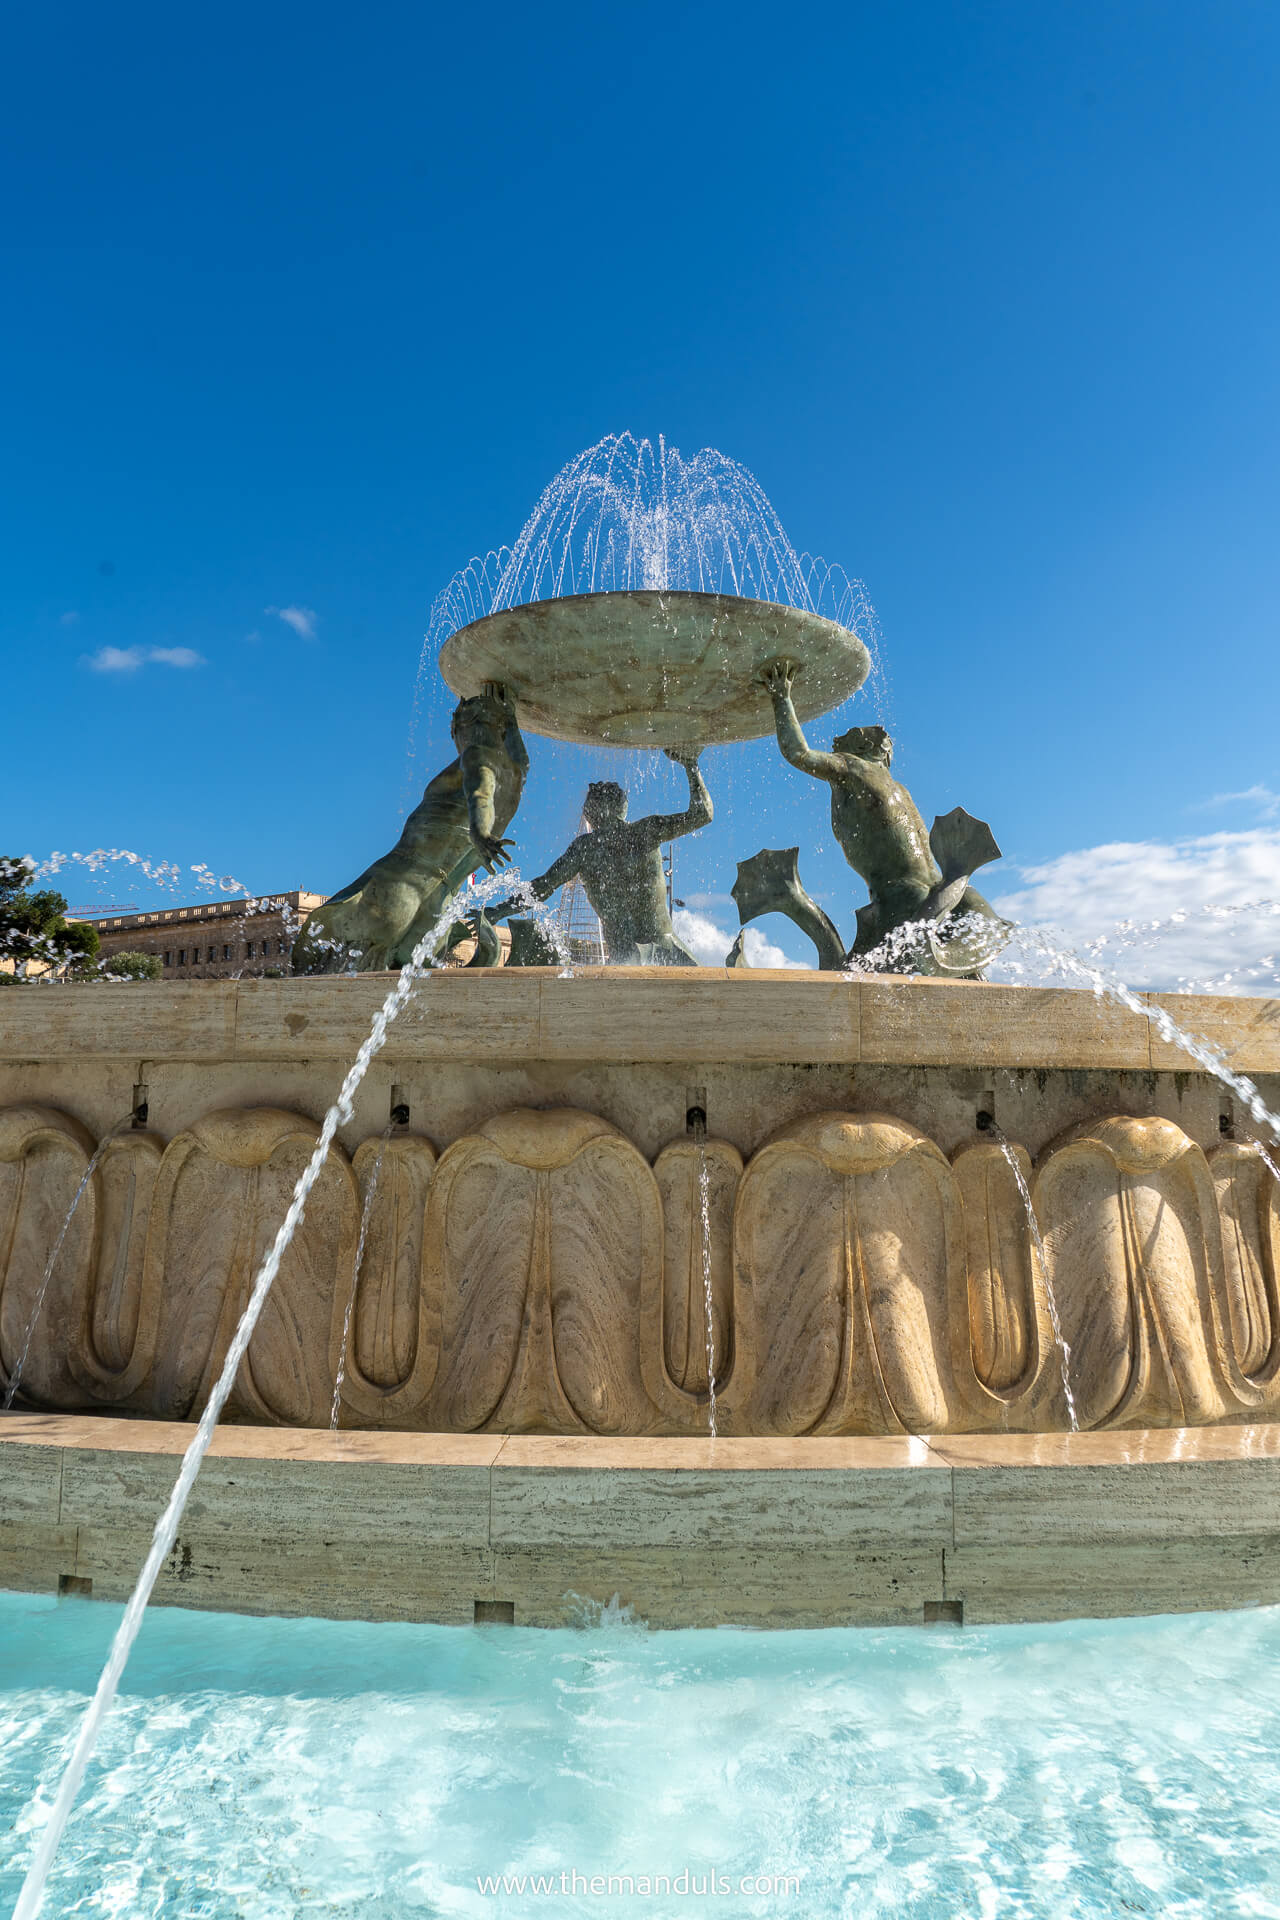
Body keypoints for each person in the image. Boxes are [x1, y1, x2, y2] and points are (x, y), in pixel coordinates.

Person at [292, 683, 528, 973]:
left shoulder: (476, 753)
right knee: (409, 980)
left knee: (336, 971)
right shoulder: (513, 773)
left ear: (462, 727)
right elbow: (518, 766)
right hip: (439, 900)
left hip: (398, 879)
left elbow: (479, 793)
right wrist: (511, 716)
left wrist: (480, 833)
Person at [484, 747, 711, 965]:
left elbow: (543, 887)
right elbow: (703, 814)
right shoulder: (646, 831)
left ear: (594, 811)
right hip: (666, 950)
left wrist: (498, 911)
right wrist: (691, 765)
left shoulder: (584, 849)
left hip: (625, 954)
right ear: (618, 807)